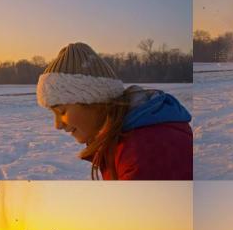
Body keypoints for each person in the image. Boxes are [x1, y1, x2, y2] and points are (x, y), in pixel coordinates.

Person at [36, 42, 193, 180]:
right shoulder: (121, 137)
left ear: (94, 101)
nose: (57, 125)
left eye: (62, 111)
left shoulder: (141, 151)